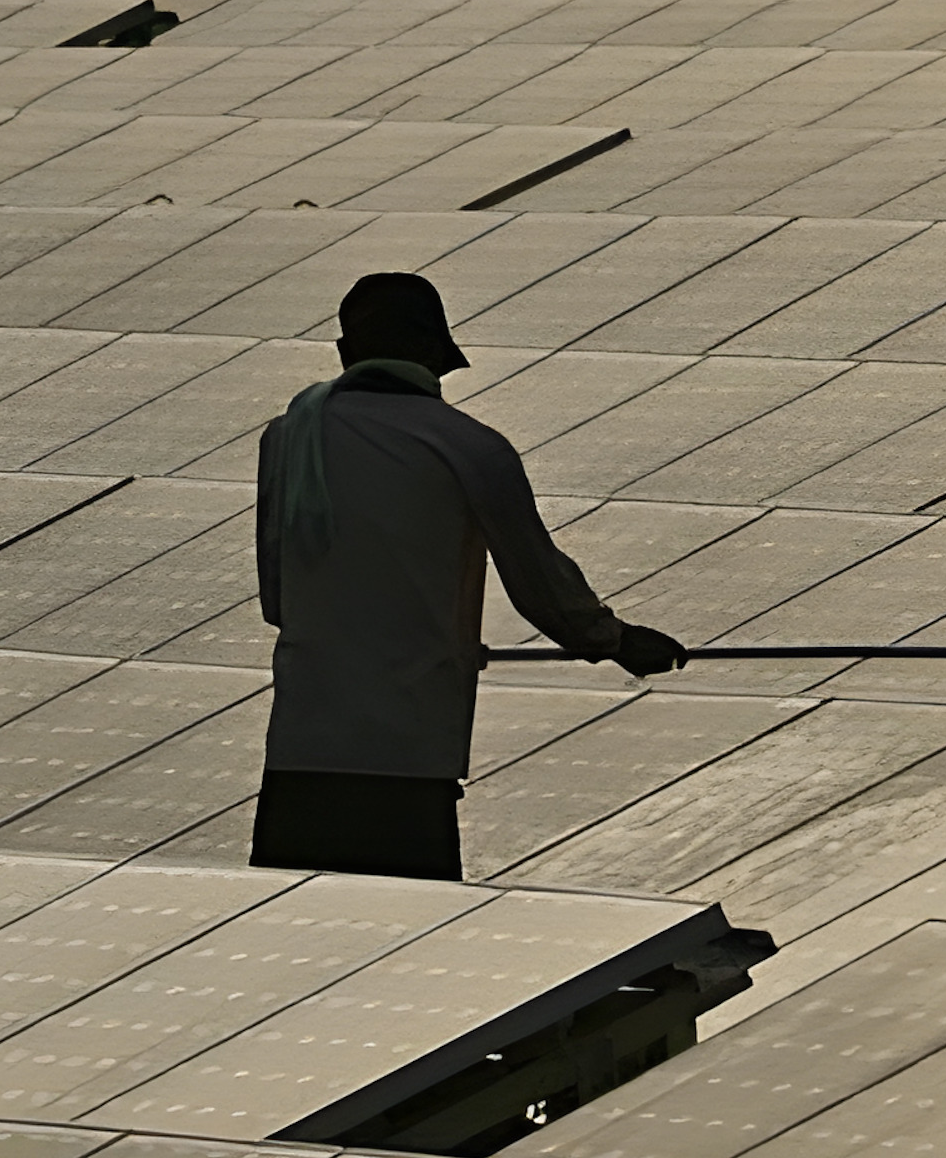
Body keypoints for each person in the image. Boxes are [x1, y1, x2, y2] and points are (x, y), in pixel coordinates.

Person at [250, 272, 685, 881]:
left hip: (302, 750)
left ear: (347, 352)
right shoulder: (469, 447)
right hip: (410, 756)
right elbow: (540, 585)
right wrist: (613, 641)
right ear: (435, 354)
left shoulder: (289, 438)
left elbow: (279, 599)